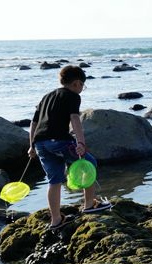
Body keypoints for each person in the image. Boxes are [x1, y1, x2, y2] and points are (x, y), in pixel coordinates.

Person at [28, 65, 111, 231]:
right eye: (82, 86)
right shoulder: (72, 96)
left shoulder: (46, 97)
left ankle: (56, 220)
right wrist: (80, 143)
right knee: (89, 163)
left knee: (54, 180)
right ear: (76, 83)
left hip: (41, 144)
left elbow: (34, 122)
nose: (82, 89)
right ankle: (88, 205)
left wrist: (31, 146)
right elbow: (75, 118)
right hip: (60, 141)